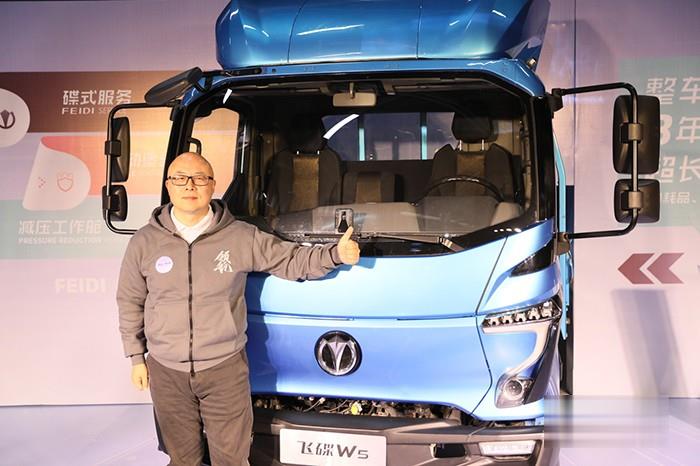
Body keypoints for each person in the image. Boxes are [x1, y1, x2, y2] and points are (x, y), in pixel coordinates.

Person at [117, 152, 360, 466]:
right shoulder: (144, 242)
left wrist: (335, 254)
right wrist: (136, 358)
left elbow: (291, 260)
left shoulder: (240, 237)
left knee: (231, 459)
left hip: (224, 368)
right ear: (168, 185)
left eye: (199, 178)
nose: (189, 185)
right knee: (182, 459)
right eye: (180, 178)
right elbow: (130, 300)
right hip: (167, 371)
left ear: (212, 185)